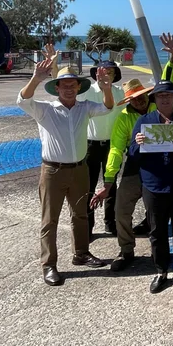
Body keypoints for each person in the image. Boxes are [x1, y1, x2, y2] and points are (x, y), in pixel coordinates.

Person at [17, 61, 113, 286]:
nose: (69, 88)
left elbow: (108, 107)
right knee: (49, 220)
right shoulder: (45, 109)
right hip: (53, 171)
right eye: (64, 85)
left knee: (80, 214)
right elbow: (22, 100)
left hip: (80, 169)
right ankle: (49, 265)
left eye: (73, 85)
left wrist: (107, 88)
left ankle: (81, 253)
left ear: (79, 87)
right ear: (57, 88)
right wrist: (36, 78)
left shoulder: (85, 107)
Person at [128, 80, 173, 293]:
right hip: (153, 184)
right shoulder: (144, 122)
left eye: (169, 95)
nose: (165, 98)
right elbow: (132, 153)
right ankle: (161, 270)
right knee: (157, 229)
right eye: (160, 96)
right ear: (155, 99)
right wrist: (139, 143)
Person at [91, 78, 156, 271]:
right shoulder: (123, 118)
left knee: (156, 211)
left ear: (146, 94)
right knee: (121, 210)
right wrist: (108, 181)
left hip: (160, 167)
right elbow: (116, 150)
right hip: (135, 166)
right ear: (128, 101)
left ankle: (157, 250)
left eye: (140, 96)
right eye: (133, 99)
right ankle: (126, 250)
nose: (138, 101)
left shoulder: (159, 109)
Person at [75, 59, 125, 237]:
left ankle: (110, 222)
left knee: (110, 184)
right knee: (87, 186)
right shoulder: (86, 91)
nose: (106, 75)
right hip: (90, 144)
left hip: (113, 144)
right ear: (96, 73)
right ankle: (88, 225)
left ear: (115, 75)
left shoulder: (121, 92)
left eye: (110, 72)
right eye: (103, 71)